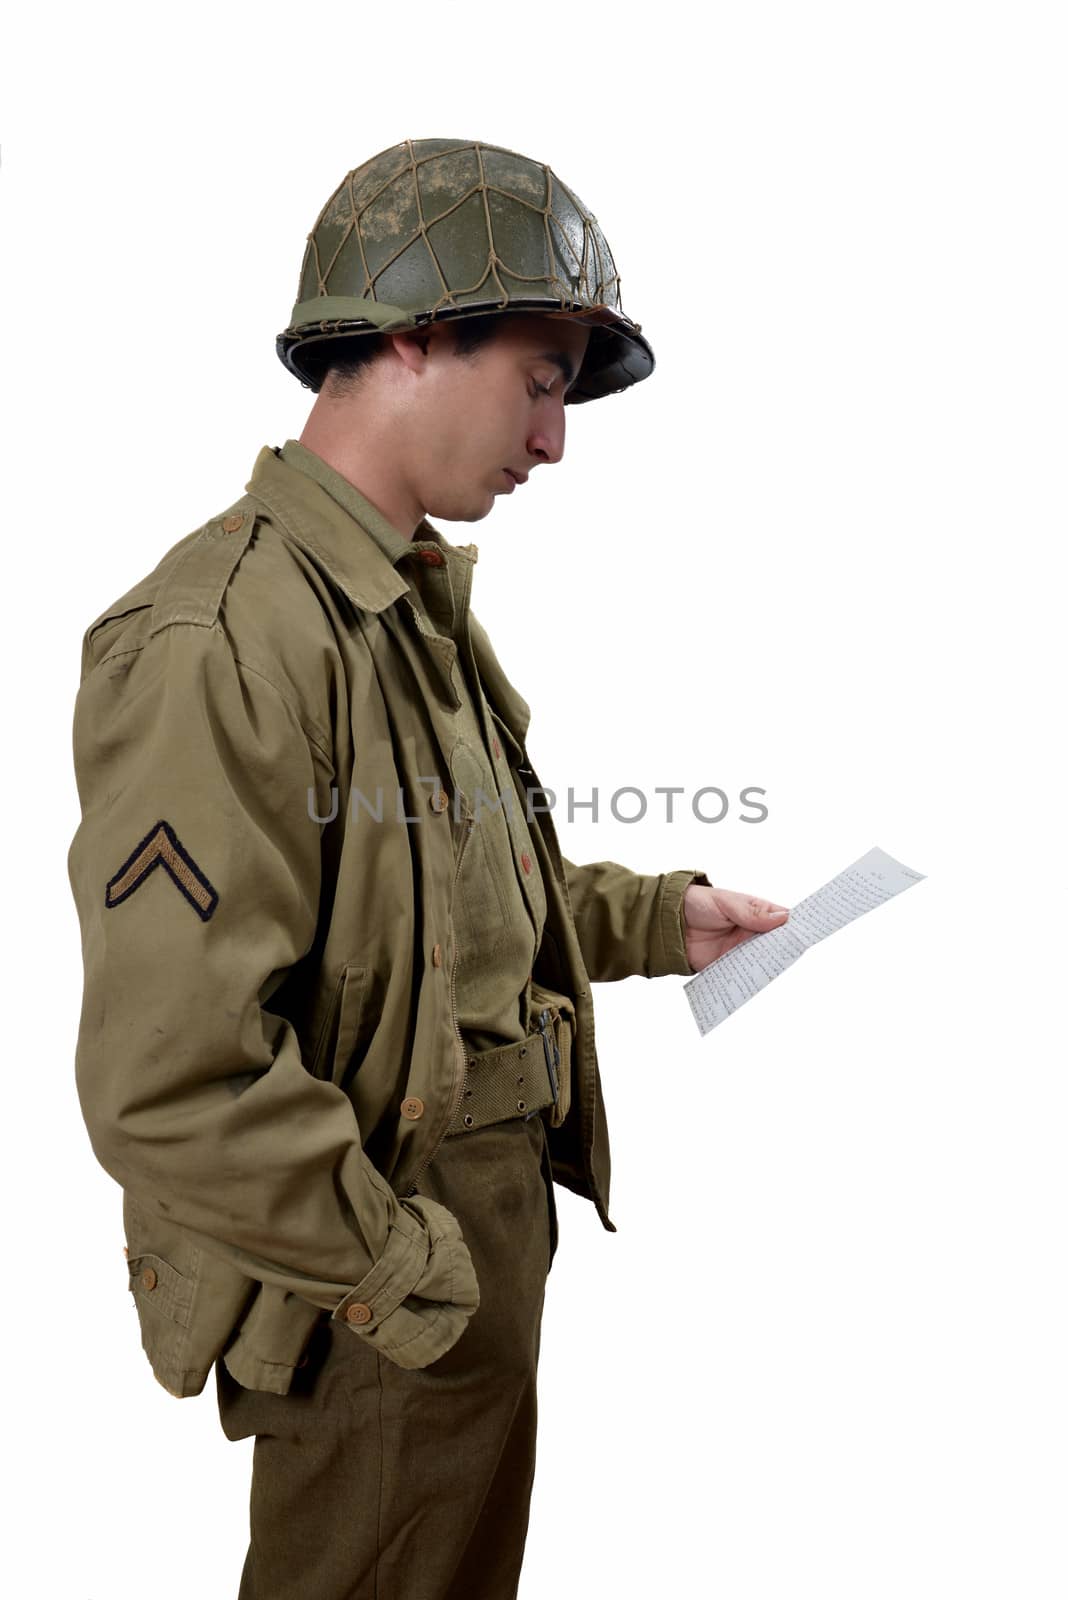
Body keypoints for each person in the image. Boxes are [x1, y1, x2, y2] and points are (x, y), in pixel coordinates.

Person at [66, 137, 789, 1600]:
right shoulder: (224, 639)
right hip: (369, 1287)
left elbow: (437, 899)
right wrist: (408, 1275)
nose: (555, 440)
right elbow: (172, 1079)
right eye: (541, 378)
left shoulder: (396, 605)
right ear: (410, 330)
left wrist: (655, 920)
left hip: (460, 1251)